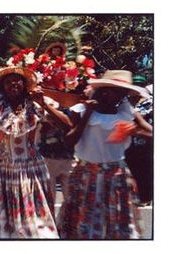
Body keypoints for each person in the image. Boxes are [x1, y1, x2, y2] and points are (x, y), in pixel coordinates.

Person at [0, 67, 70, 238]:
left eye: (17, 79)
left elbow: (66, 125)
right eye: (8, 81)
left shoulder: (36, 105)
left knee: (33, 222)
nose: (13, 83)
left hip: (31, 171)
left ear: (25, 84)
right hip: (0, 170)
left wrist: (43, 104)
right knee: (1, 225)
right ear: (2, 87)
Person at [61, 70, 152, 239]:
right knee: (85, 222)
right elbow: (69, 142)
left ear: (122, 95)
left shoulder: (127, 113)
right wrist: (88, 114)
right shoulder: (81, 110)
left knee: (116, 222)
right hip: (86, 173)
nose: (108, 94)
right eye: (106, 89)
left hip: (115, 174)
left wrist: (137, 132)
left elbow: (152, 133)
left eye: (117, 91)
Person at [124, 75, 153, 206]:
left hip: (144, 143)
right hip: (128, 143)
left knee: (144, 170)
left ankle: (145, 197)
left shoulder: (149, 101)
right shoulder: (125, 101)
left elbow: (142, 119)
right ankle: (134, 196)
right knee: (131, 170)